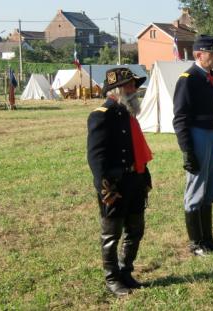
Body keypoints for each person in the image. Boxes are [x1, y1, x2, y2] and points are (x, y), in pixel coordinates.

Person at [87, 68, 152, 296]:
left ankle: (126, 271)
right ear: (116, 89)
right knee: (111, 235)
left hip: (135, 178)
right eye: (129, 85)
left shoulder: (128, 112)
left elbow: (138, 149)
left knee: (136, 229)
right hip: (115, 184)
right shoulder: (101, 114)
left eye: (134, 84)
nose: (134, 89)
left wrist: (144, 176)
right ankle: (112, 279)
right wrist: (105, 187)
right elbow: (96, 158)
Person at [173, 35, 213, 256]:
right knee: (196, 189)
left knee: (211, 188)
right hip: (198, 134)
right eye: (212, 53)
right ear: (199, 54)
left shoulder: (210, 76)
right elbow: (180, 118)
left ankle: (208, 239)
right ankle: (196, 243)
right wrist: (187, 150)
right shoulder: (188, 78)